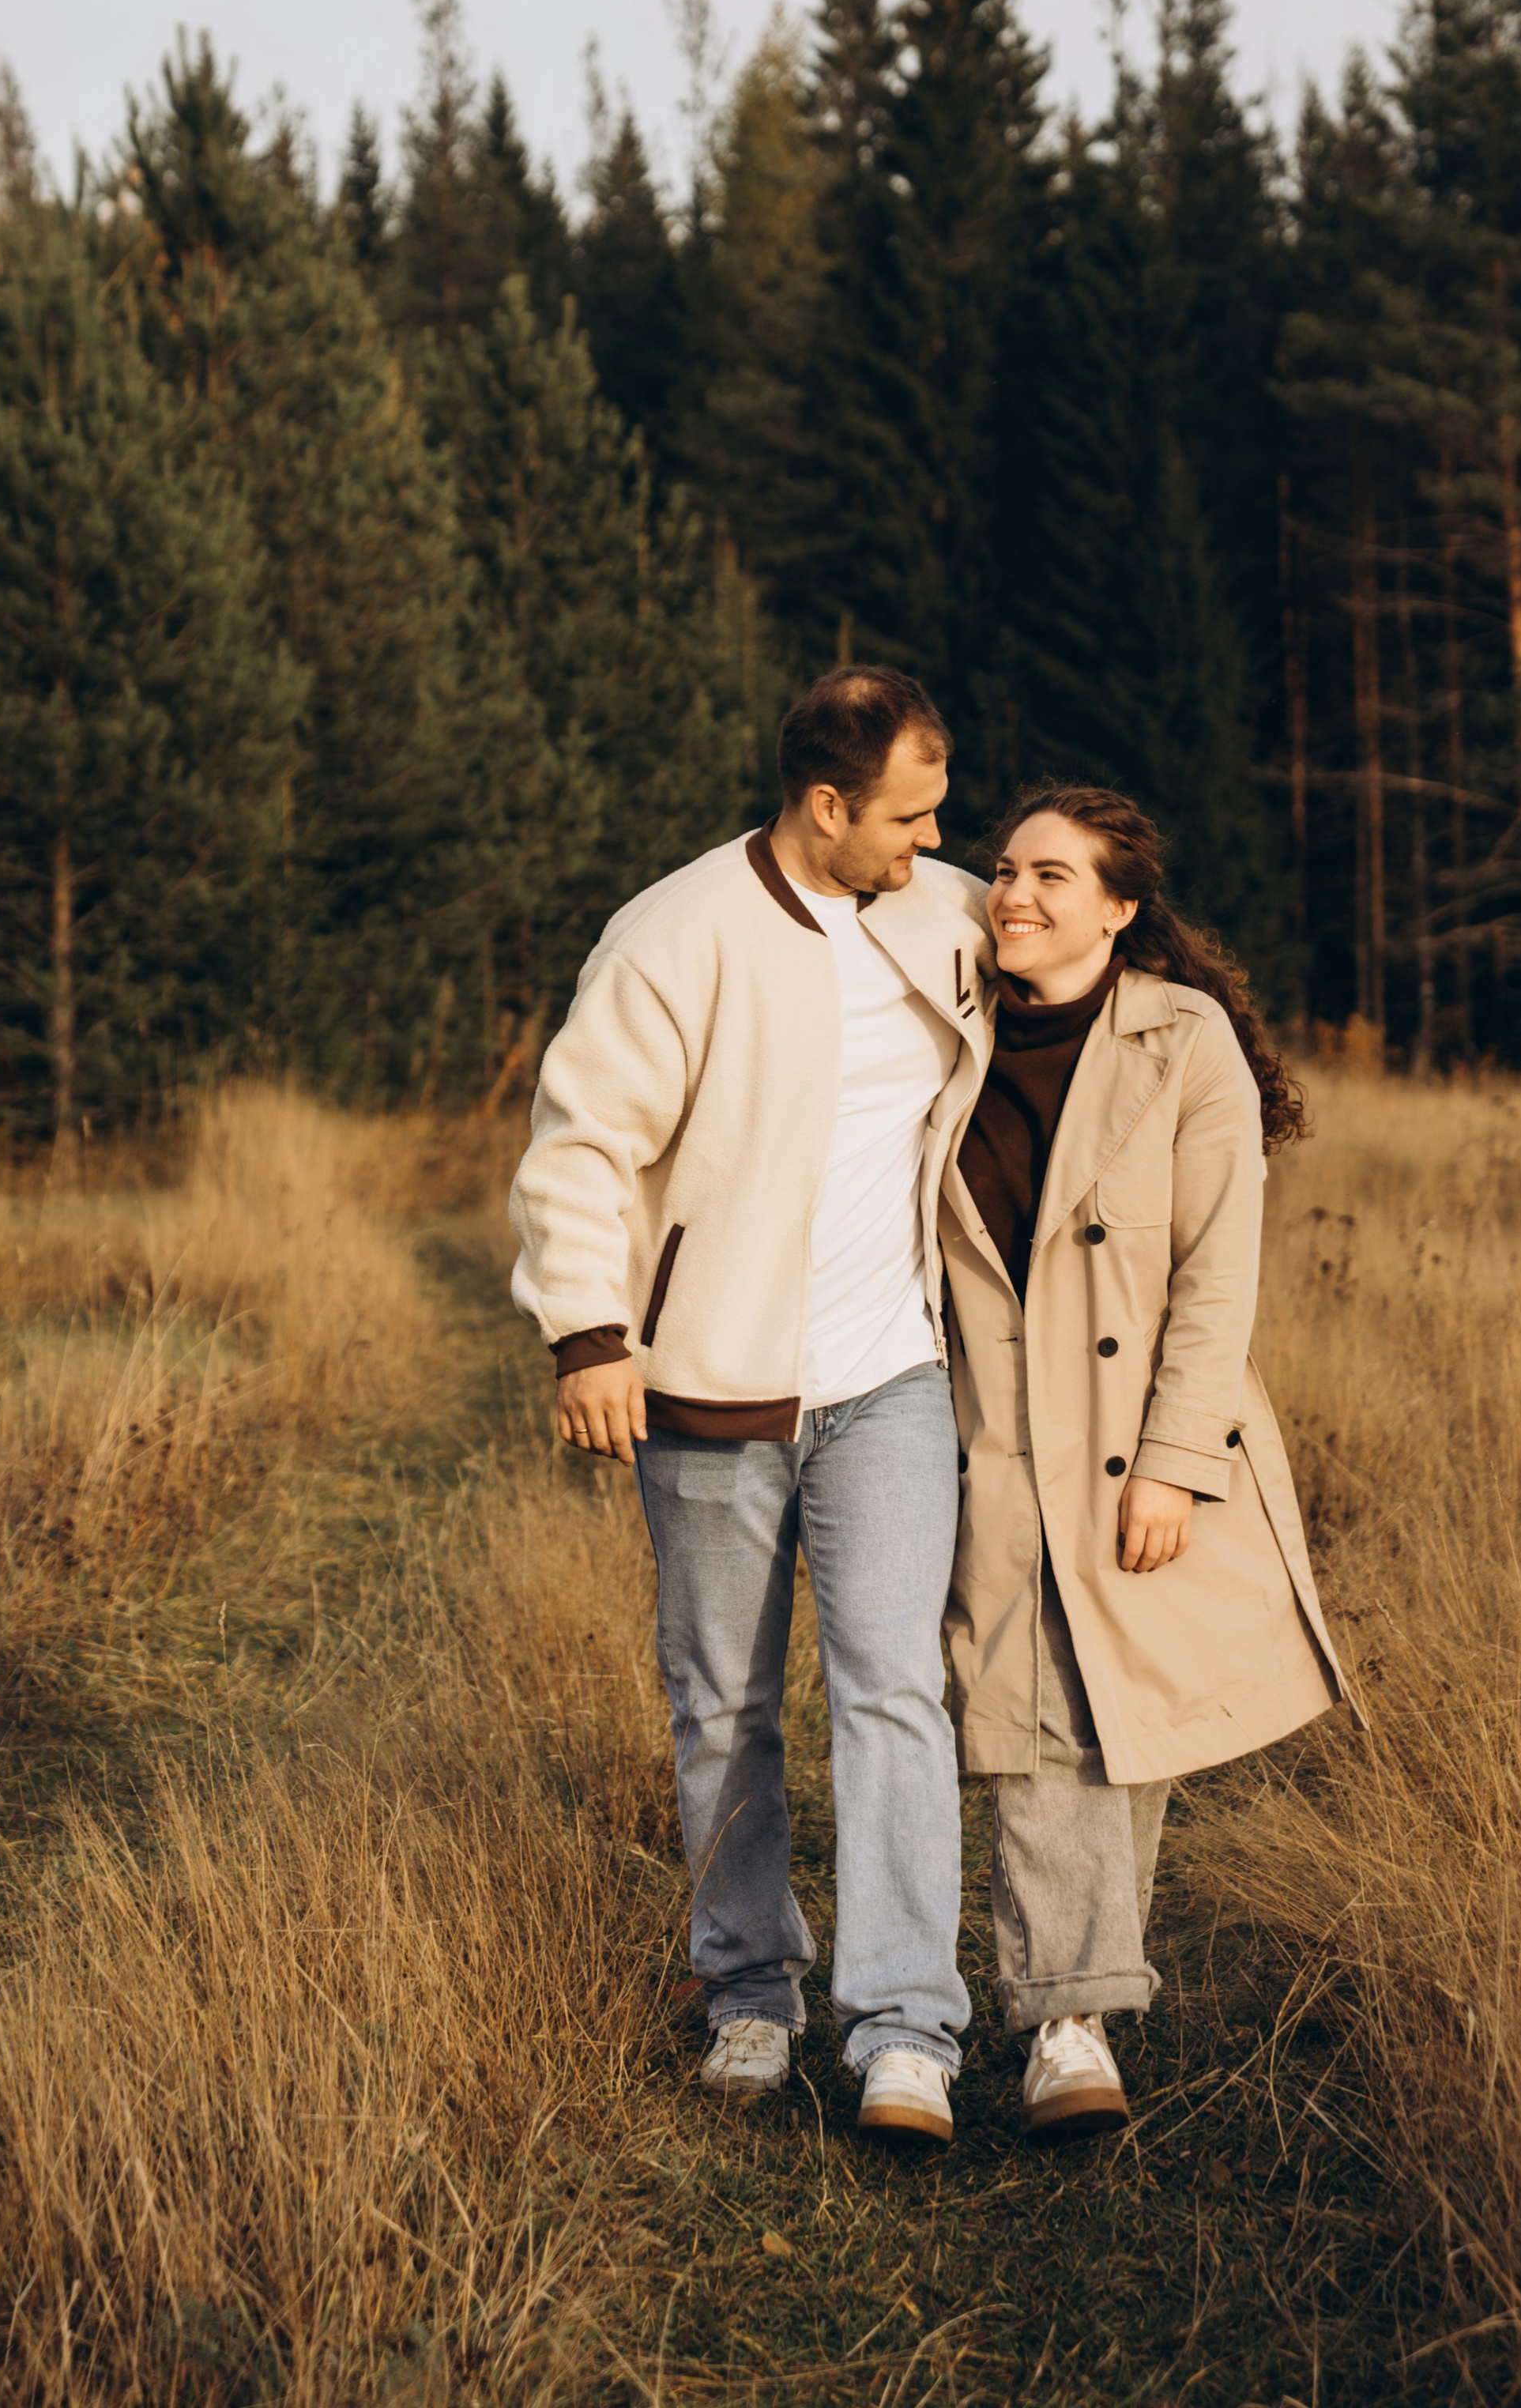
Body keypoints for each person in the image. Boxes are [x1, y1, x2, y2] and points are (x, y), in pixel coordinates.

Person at [510, 668, 992, 2142]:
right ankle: (751, 1994)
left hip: (894, 1379)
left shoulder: (952, 911)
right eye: (907, 817)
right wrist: (592, 1333)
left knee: (895, 1690)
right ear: (826, 804)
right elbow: (584, 1141)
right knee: (723, 1705)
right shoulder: (674, 935)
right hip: (708, 1389)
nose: (929, 843)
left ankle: (907, 2026)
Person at [939, 783, 1346, 2143]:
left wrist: (1172, 1462)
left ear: (1120, 909)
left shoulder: (1186, 1042)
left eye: (1054, 876)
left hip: (1137, 1444)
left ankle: (1079, 2000)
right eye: (1004, 869)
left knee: (1126, 1718)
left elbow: (1217, 1271)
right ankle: (1068, 2023)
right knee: (1039, 1710)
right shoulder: (944, 1037)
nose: (1016, 893)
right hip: (990, 1437)